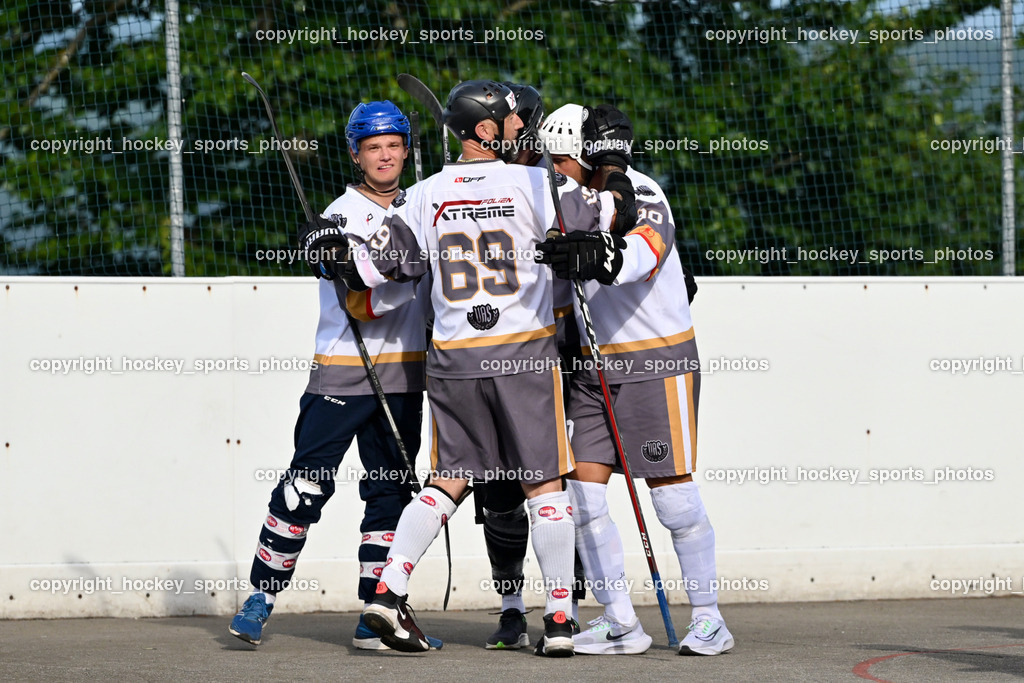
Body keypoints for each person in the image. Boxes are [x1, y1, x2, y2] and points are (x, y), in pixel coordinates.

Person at [309, 79, 638, 657]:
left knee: (447, 480)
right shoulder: (539, 183)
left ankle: (388, 590)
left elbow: (368, 270)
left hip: (453, 361)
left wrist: (327, 247)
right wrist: (612, 168)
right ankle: (560, 617)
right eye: (514, 120)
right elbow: (616, 211)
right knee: (544, 485)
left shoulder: (423, 194)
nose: (524, 129)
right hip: (523, 358)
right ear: (486, 129)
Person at [228, 101, 440, 651]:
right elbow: (357, 299)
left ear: (407, 150)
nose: (384, 155)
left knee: (389, 495)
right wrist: (326, 253)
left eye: (393, 145)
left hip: (404, 375)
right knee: (305, 487)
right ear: (355, 155)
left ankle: (376, 614)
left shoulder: (423, 205)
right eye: (373, 147)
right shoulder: (340, 213)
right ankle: (261, 597)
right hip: (342, 374)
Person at [534, 102, 732, 656]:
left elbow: (641, 256)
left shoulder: (641, 191)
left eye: (561, 162)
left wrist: (595, 258)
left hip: (656, 363)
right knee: (583, 496)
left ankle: (710, 619)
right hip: (592, 367)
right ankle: (621, 622)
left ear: (587, 156)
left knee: (672, 499)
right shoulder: (561, 201)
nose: (555, 172)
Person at [474, 81, 588, 651]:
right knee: (497, 491)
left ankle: (565, 606)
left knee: (556, 484)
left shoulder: (554, 184)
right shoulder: (474, 183)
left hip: (556, 346)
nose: (510, 135)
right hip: (488, 350)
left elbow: (608, 231)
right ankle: (511, 606)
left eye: (517, 126)